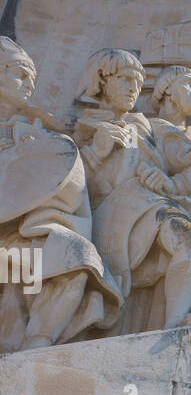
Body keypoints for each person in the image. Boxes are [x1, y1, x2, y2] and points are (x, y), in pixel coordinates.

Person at [0, 37, 121, 352]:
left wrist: (96, 152)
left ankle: (36, 344)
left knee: (76, 255)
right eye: (20, 74)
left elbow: (63, 185)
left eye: (32, 78)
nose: (28, 84)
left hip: (14, 243)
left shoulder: (43, 133)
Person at [75, 48, 191, 331]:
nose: (133, 88)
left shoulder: (149, 127)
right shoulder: (84, 126)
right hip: (100, 216)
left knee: (185, 239)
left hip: (146, 207)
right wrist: (98, 150)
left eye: (137, 82)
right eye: (124, 79)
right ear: (101, 81)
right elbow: (66, 182)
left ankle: (175, 320)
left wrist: (174, 184)